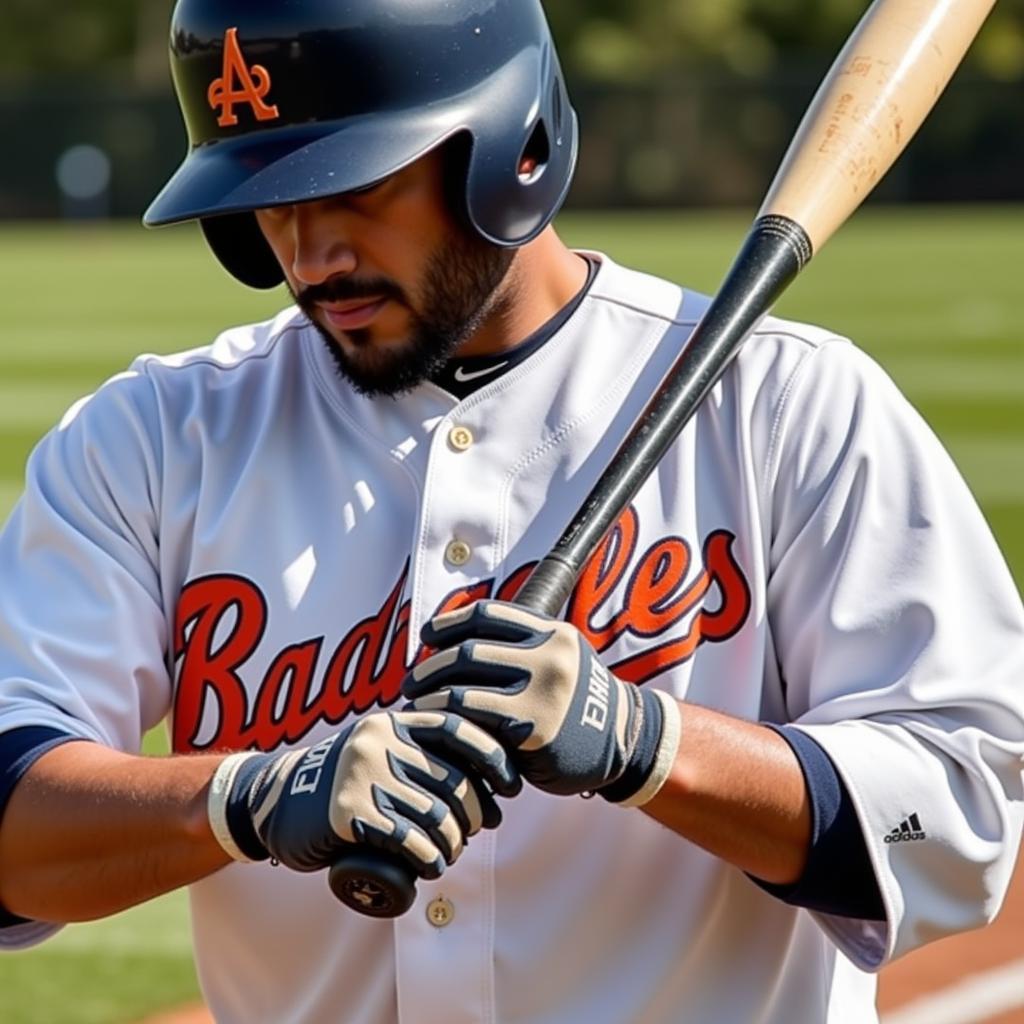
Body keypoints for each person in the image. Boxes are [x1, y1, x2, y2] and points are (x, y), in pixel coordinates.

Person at [1, 1, 1022, 1021]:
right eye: (270, 195)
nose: (309, 254)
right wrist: (243, 799)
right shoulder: (152, 441)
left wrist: (646, 743)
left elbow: (960, 819)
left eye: (354, 185)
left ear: (510, 147)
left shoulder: (782, 404)